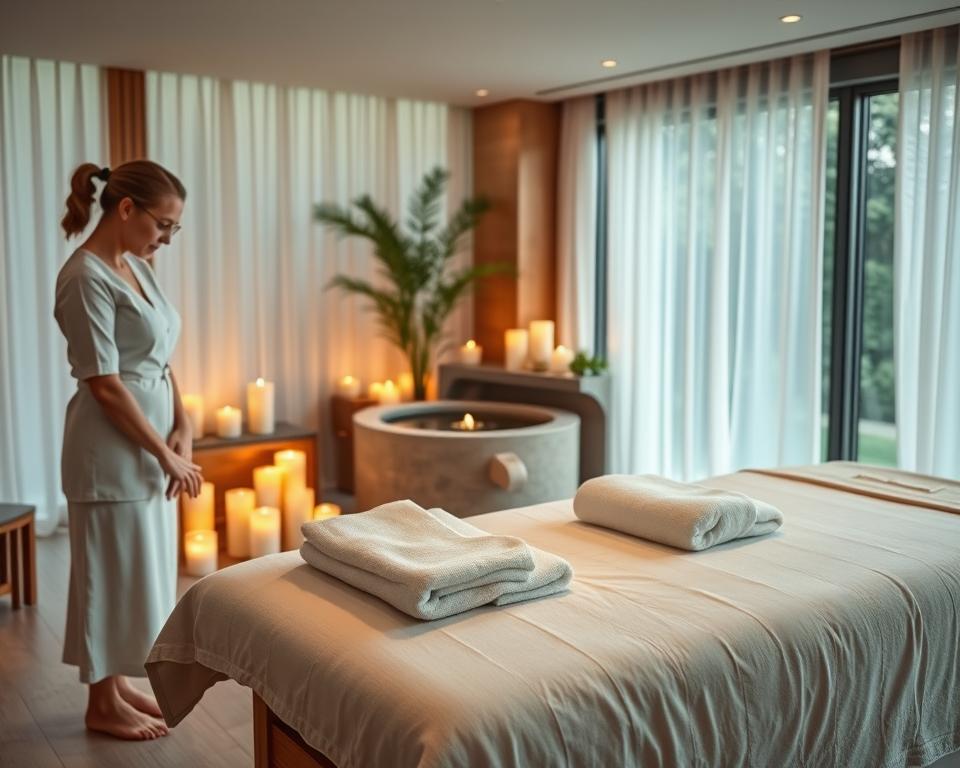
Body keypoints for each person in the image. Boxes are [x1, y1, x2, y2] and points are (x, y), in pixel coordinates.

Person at [55, 160, 204, 740]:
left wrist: (184, 425)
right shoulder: (84, 277)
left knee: (138, 572)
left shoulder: (138, 267)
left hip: (150, 443)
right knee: (106, 573)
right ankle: (100, 703)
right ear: (125, 209)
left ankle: (117, 684)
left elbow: (161, 356)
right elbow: (105, 382)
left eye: (173, 229)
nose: (166, 238)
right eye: (163, 225)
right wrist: (164, 455)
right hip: (109, 449)